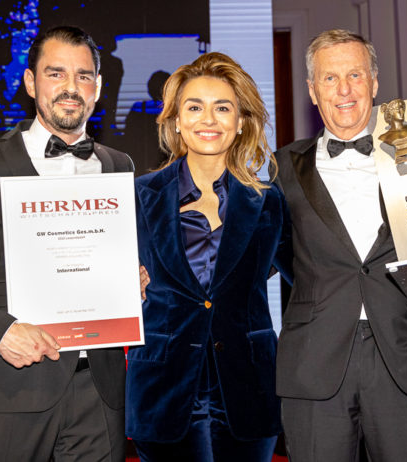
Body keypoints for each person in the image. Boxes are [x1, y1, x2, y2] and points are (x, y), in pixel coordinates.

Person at [274, 29, 407, 462]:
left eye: (355, 75)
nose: (343, 90)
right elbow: (259, 256)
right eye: (329, 78)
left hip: (406, 354)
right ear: (312, 90)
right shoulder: (281, 166)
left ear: (375, 82)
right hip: (315, 361)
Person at [0, 26, 133, 461]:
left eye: (83, 76)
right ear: (30, 82)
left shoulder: (119, 165)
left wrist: (133, 277)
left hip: (100, 392)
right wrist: (0, 332)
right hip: (8, 386)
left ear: (98, 86)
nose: (71, 87)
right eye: (55, 73)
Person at [126, 52, 292, 462]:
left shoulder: (268, 202)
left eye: (222, 108)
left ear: (241, 122)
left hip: (249, 392)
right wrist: (121, 286)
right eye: (194, 107)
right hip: (163, 394)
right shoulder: (137, 196)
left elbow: (314, 278)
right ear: (175, 121)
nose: (209, 119)